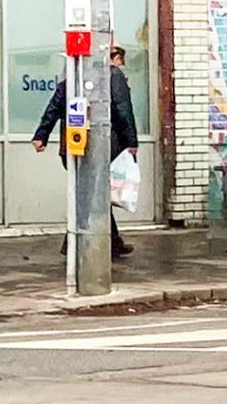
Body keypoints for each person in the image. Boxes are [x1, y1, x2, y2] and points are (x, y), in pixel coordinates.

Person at [30, 39, 144, 262]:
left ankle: (113, 242)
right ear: (112, 57)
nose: (120, 64)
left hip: (73, 146)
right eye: (119, 59)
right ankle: (73, 243)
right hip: (102, 149)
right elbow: (123, 111)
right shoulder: (113, 76)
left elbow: (54, 106)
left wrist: (41, 135)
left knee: (94, 194)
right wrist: (131, 143)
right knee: (91, 196)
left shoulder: (74, 77)